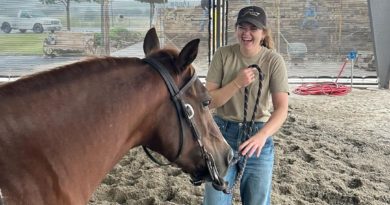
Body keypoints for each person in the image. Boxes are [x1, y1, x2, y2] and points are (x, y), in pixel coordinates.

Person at [203, 5, 289, 205]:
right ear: (236, 29)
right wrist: (236, 83)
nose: (247, 33)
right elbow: (209, 102)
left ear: (263, 32)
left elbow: (282, 109)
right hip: (222, 134)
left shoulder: (273, 61)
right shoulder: (223, 55)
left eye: (253, 28)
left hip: (258, 138)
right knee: (215, 201)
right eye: (242, 27)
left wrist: (261, 136)